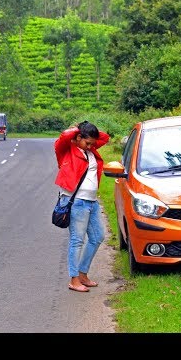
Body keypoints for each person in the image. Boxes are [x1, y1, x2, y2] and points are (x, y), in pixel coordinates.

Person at [54, 120, 110, 292]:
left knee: (97, 237)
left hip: (91, 202)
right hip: (76, 201)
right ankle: (74, 279)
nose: (90, 146)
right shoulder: (66, 150)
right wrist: (79, 129)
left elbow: (105, 137)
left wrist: (88, 130)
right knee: (77, 240)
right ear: (78, 137)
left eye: (92, 143)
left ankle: (83, 273)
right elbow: (64, 136)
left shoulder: (90, 150)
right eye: (87, 142)